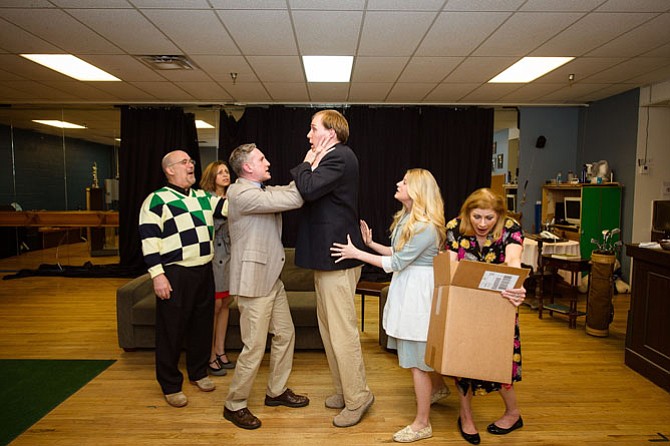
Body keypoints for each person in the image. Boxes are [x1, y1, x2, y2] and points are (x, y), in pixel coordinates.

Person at [330, 168, 451, 443]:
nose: (398, 183)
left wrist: (357, 253)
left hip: (418, 294)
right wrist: (372, 244)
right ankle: (439, 389)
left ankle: (422, 424)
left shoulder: (426, 228)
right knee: (419, 354)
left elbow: (396, 263)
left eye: (405, 182)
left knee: (417, 362)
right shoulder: (409, 218)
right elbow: (399, 254)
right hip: (409, 287)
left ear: (417, 191)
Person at [290, 109, 374, 428]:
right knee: (329, 330)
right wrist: (311, 164)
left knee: (342, 332)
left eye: (313, 129)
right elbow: (308, 189)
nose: (309, 135)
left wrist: (308, 161)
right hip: (326, 258)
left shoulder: (339, 157)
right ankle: (344, 390)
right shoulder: (331, 157)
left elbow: (307, 189)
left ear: (331, 132)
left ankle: (358, 397)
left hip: (337, 258)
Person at [223, 143, 309, 430]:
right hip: (253, 283)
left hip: (271, 279)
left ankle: (276, 391)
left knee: (285, 334)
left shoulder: (259, 190)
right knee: (254, 347)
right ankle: (234, 404)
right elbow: (295, 197)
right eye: (262, 158)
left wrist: (306, 173)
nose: (268, 161)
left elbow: (287, 191)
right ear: (247, 167)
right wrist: (309, 161)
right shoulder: (241, 193)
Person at [139, 150, 224, 408]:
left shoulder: (204, 197)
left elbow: (235, 208)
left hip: (204, 270)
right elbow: (149, 240)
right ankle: (170, 384)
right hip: (175, 272)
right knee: (171, 330)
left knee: (201, 326)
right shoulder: (156, 200)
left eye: (191, 162)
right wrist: (158, 276)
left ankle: (198, 372)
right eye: (184, 162)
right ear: (170, 170)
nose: (190, 166)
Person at [444, 188, 526, 445]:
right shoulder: (455, 228)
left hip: (499, 304)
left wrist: (518, 285)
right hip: (464, 304)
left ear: (499, 215)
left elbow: (514, 260)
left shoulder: (511, 228)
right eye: (476, 216)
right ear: (468, 212)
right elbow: (448, 265)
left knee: (500, 362)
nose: (481, 224)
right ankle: (465, 416)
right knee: (463, 360)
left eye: (488, 218)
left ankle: (513, 414)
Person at [199, 161, 236, 375]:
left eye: (226, 172)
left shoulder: (231, 198)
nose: (225, 175)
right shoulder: (206, 199)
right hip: (214, 253)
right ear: (211, 176)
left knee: (225, 304)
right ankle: (210, 354)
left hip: (230, 254)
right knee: (215, 304)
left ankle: (221, 351)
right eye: (220, 172)